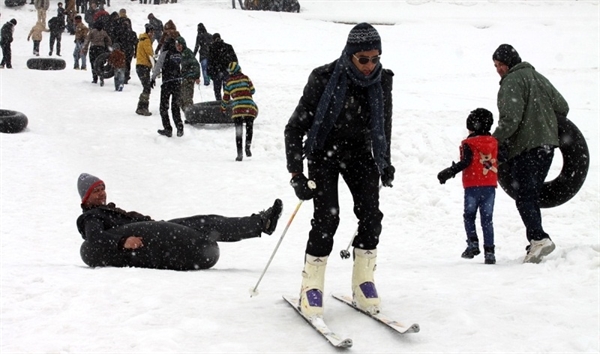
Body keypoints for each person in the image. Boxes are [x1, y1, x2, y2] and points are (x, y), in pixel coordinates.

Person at [284, 23, 395, 318]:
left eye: (375, 58)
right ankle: (312, 284)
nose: (370, 66)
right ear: (350, 54)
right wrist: (296, 174)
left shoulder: (382, 81)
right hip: (324, 154)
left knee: (372, 215)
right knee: (327, 217)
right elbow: (294, 128)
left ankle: (363, 282)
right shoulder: (323, 78)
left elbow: (384, 124)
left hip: (359, 154)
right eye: (363, 59)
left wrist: (385, 162)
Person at [76, 173, 283, 270]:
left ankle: (260, 223)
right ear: (86, 197)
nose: (102, 193)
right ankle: (259, 224)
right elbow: (94, 238)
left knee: (206, 221)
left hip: (158, 231)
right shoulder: (92, 216)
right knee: (207, 224)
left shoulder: (108, 210)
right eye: (96, 191)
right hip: (151, 239)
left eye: (102, 188)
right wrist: (122, 241)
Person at [491, 44, 569, 264]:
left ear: (509, 63)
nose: (498, 69)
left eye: (500, 65)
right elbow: (562, 106)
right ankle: (537, 238)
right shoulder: (538, 77)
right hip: (547, 146)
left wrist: (494, 142)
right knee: (530, 193)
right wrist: (543, 122)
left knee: (524, 195)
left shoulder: (511, 82)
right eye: (495, 66)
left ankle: (538, 238)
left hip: (528, 148)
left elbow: (511, 120)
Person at [437, 108, 498, 265]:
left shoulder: (469, 144)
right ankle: (490, 252)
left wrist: (449, 172)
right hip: (490, 186)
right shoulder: (494, 143)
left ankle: (473, 244)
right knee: (487, 219)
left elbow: (466, 162)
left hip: (472, 186)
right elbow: (501, 158)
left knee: (469, 216)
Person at [221, 62, 258, 161]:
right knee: (249, 129)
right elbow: (253, 91)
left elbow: (225, 98)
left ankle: (239, 154)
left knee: (239, 132)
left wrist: (223, 108)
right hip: (249, 107)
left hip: (237, 109)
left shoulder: (228, 82)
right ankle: (248, 147)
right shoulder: (246, 78)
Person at [151, 38, 184, 137]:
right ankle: (179, 126)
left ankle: (168, 128)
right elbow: (183, 66)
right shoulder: (179, 54)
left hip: (167, 83)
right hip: (177, 83)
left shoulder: (164, 54)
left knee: (163, 107)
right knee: (175, 106)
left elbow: (157, 67)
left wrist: (152, 78)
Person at [207, 33, 238, 101]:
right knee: (227, 90)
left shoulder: (211, 48)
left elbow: (209, 62)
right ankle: (227, 104)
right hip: (227, 71)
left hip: (216, 72)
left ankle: (219, 104)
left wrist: (210, 73)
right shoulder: (228, 47)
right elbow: (234, 60)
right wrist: (234, 70)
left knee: (217, 90)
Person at [176, 36, 200, 115]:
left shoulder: (187, 53)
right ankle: (188, 114)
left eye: (179, 45)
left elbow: (195, 64)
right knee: (181, 99)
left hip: (189, 78)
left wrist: (196, 76)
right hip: (184, 78)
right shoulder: (182, 54)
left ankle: (192, 115)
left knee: (186, 98)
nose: (178, 47)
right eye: (177, 46)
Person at [135, 24, 155, 116]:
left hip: (140, 66)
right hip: (143, 66)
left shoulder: (141, 40)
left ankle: (140, 107)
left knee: (146, 87)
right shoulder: (146, 41)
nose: (153, 34)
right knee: (147, 88)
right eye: (151, 32)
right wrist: (155, 68)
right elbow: (150, 55)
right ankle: (143, 107)